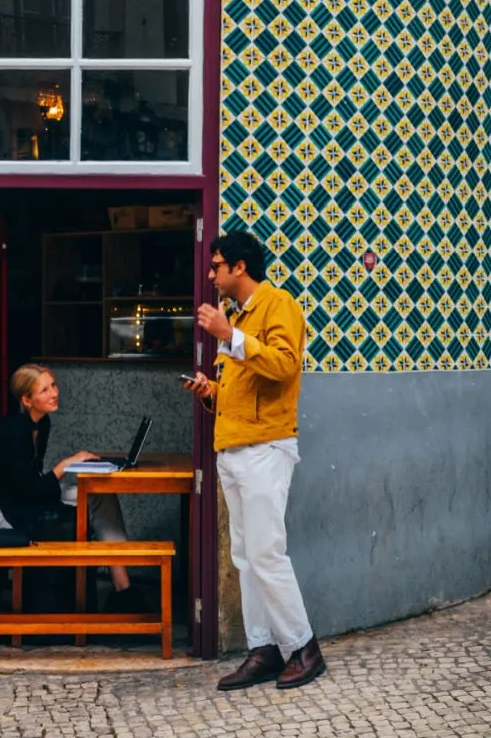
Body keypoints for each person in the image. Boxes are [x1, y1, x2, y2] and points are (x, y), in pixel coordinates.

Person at [186, 231, 326, 691]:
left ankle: (304, 648)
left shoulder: (278, 305)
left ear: (239, 267)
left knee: (267, 552)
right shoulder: (243, 316)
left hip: (266, 447)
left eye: (217, 265)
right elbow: (245, 389)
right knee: (245, 556)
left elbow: (286, 366)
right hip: (235, 446)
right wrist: (212, 392)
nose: (211, 275)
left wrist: (230, 335)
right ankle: (263, 649)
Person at [0, 363, 145, 612]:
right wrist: (65, 465)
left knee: (101, 495)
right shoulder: (13, 431)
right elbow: (23, 491)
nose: (54, 393)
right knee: (72, 513)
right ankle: (114, 591)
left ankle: (121, 583)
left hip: (26, 497)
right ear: (27, 400)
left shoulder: (43, 423)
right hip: (0, 510)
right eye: (44, 390)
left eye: (54, 385)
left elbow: (32, 482)